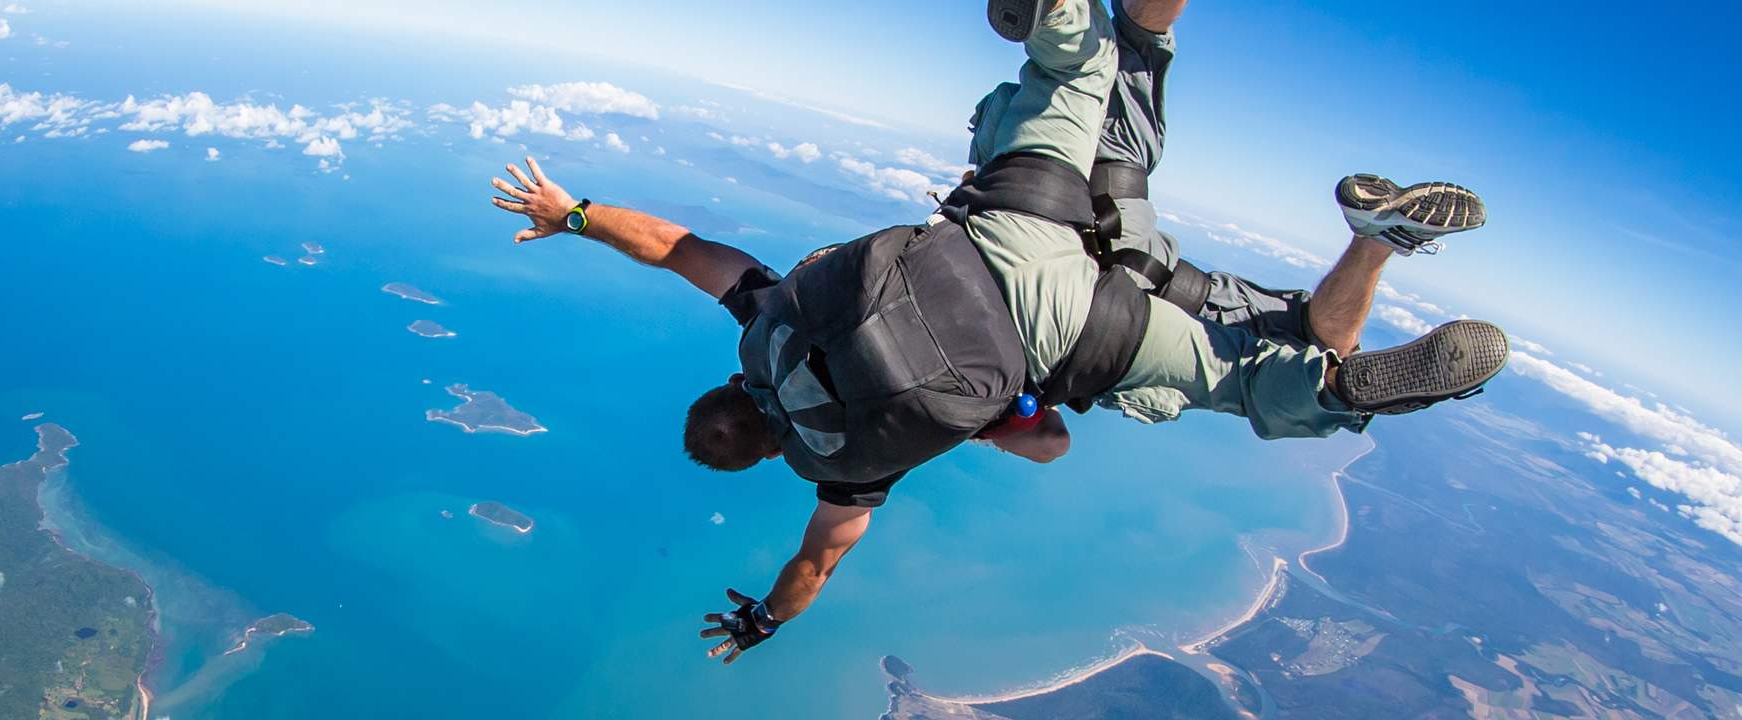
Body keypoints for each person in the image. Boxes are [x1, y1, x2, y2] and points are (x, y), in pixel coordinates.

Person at [486, 0, 1508, 665]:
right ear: (725, 391)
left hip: (1083, 334)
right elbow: (675, 245)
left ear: (764, 455)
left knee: (1267, 379)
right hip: (1011, 225)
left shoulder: (842, 473)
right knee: (1087, 73)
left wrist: (760, 620)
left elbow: (821, 566)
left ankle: (1359, 303)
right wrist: (572, 213)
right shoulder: (764, 323)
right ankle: (1064, 27)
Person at [977, 0, 1495, 461]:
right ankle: (1060, 13)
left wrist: (996, 421)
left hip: (1115, 319)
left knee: (1255, 373)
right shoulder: (941, 257)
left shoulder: (967, 389)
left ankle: (1337, 380)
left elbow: (1051, 444)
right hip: (1075, 196)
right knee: (1121, 51)